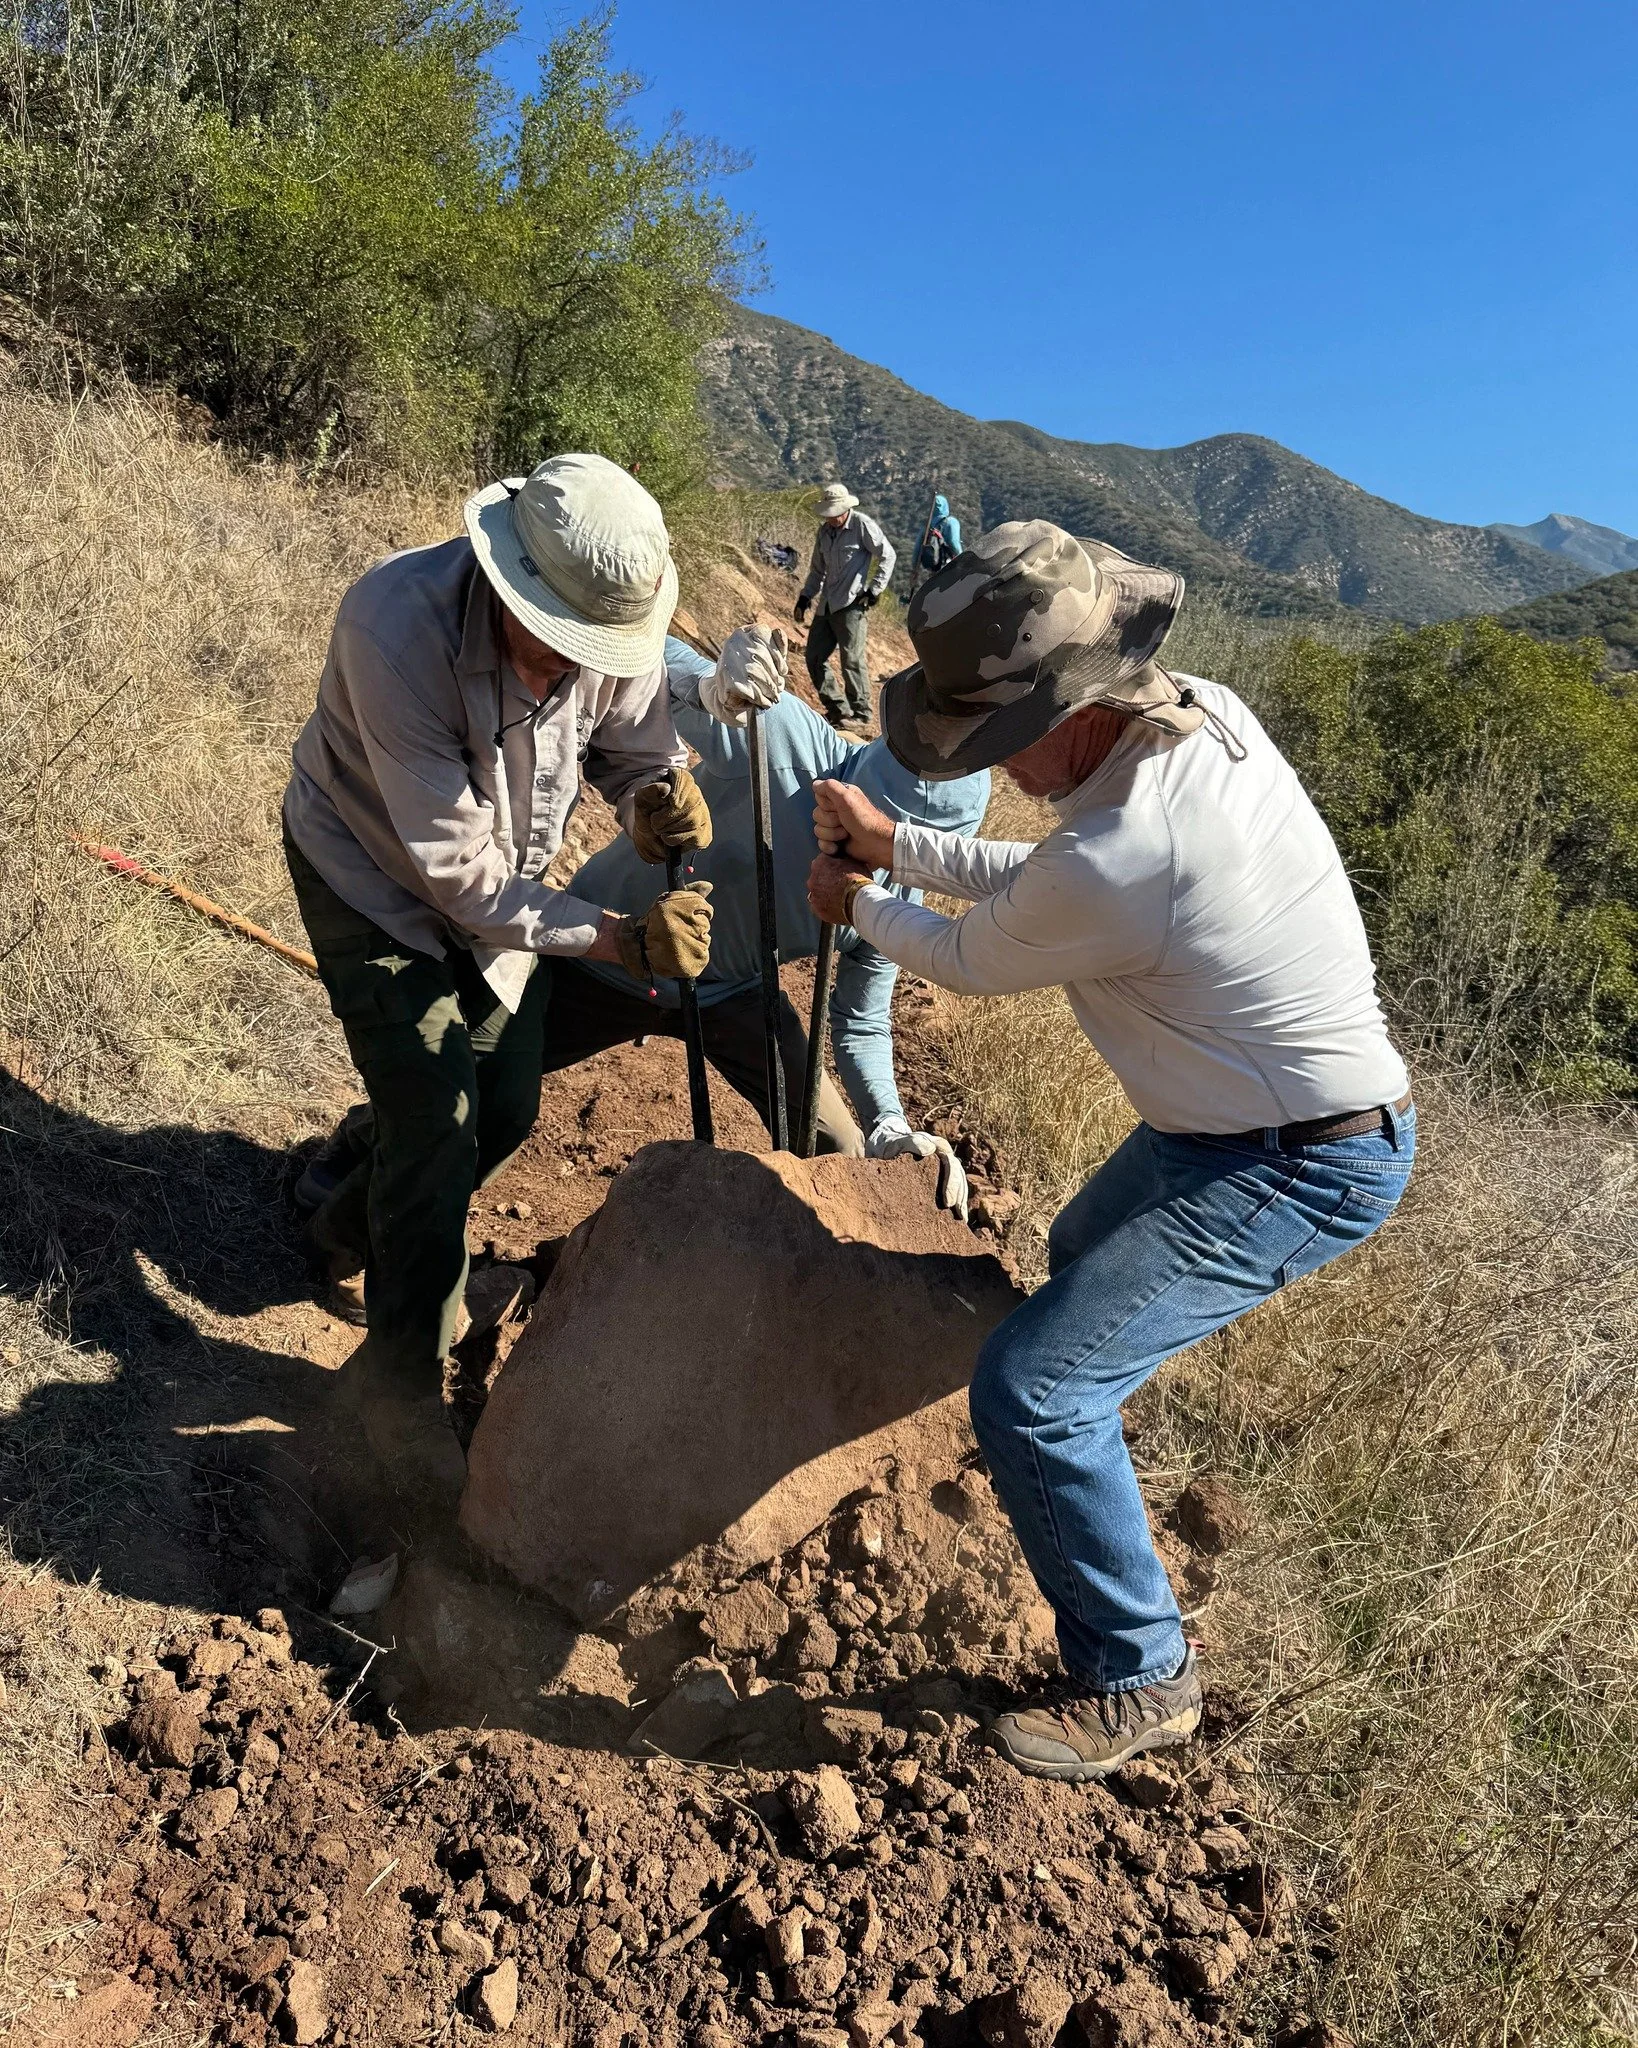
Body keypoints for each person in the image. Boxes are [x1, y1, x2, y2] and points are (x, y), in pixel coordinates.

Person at [807, 520, 1413, 1781]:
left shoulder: (1137, 846)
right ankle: (1089, 1460)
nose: (979, 759)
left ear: (1070, 704)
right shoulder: (1193, 720)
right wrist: (891, 841)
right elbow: (1042, 877)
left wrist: (858, 900)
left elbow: (979, 950)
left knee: (1033, 1386)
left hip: (1296, 1161)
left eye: (988, 736)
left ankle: (1138, 1673)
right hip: (1240, 1124)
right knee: (1080, 1251)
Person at [282, 452, 720, 1490]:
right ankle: (399, 1387)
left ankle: (344, 1221)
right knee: (434, 1118)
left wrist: (656, 793)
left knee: (508, 1101)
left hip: (502, 885)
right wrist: (619, 938)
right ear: (504, 574)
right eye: (549, 645)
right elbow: (459, 879)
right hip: (370, 877)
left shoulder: (613, 621)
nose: (564, 669)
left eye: (588, 654)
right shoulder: (395, 628)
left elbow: (628, 743)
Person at [539, 628, 988, 1203]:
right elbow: (642, 657)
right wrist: (709, 684)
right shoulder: (779, 737)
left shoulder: (892, 902)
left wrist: (890, 1126)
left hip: (731, 993)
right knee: (485, 1091)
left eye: (892, 853)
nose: (870, 858)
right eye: (864, 829)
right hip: (604, 948)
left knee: (836, 1150)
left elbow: (862, 1019)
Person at [795, 484, 896, 730]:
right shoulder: (824, 533)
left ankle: (861, 715)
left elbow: (888, 555)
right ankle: (838, 709)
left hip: (852, 604)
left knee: (851, 659)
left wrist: (875, 590)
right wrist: (805, 597)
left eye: (834, 513)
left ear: (845, 509)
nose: (831, 518)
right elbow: (818, 571)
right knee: (814, 657)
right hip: (827, 605)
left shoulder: (861, 525)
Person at [918, 493, 962, 575]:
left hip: (934, 567)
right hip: (949, 565)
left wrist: (914, 569)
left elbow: (917, 550)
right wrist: (963, 560)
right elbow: (954, 542)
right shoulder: (951, 522)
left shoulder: (927, 526)